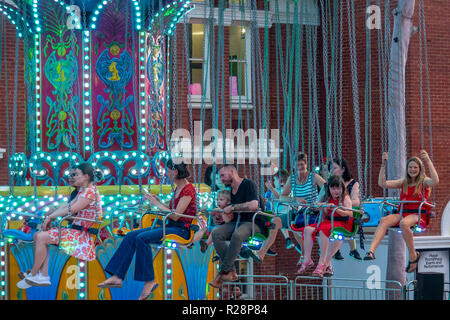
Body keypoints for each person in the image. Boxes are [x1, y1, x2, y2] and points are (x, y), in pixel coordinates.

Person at [98, 159, 197, 300]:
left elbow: (175, 216)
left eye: (168, 171)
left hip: (182, 230)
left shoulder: (188, 189)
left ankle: (149, 281)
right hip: (170, 226)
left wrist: (156, 203)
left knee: (142, 238)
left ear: (175, 171)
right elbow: (171, 211)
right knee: (131, 235)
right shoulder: (178, 188)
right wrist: (159, 202)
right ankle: (117, 276)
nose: (167, 174)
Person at [17, 163, 102, 288]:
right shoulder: (84, 191)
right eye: (71, 174)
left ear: (86, 176)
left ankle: (35, 274)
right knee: (38, 236)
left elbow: (72, 209)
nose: (72, 177)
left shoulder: (90, 192)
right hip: (76, 232)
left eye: (76, 174)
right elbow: (67, 206)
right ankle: (42, 275)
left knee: (41, 237)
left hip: (83, 237)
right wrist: (51, 214)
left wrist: (51, 216)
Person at [363, 150, 439, 273]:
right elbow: (382, 183)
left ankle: (413, 255)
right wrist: (383, 164)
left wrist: (428, 161)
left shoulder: (424, 181)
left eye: (415, 167)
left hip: (417, 215)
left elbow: (435, 181)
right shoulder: (404, 182)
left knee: (404, 223)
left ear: (420, 169)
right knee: (384, 220)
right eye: (410, 167)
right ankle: (371, 251)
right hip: (403, 212)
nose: (412, 169)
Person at [209, 164, 264, 288]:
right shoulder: (231, 191)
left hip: (253, 223)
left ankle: (221, 274)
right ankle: (231, 270)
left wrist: (233, 207)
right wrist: (218, 216)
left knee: (237, 234)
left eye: (223, 175)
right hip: (238, 222)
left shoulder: (248, 184)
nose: (221, 179)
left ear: (232, 172)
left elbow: (254, 205)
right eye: (220, 176)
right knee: (216, 234)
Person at [297, 175, 353, 277]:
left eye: (338, 188)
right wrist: (320, 207)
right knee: (307, 229)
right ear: (329, 189)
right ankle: (307, 258)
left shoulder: (345, 198)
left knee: (324, 229)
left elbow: (349, 213)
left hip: (342, 223)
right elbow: (326, 212)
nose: (336, 191)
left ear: (342, 188)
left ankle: (322, 262)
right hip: (329, 222)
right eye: (333, 188)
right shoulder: (328, 198)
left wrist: (335, 208)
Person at [279, 153, 326, 255]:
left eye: (302, 164)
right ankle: (304, 254)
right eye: (298, 165)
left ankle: (320, 253)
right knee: (280, 222)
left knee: (314, 228)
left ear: (306, 165)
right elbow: (282, 198)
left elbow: (327, 188)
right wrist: (296, 199)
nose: (300, 167)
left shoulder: (313, 176)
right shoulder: (291, 179)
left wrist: (319, 201)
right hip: (299, 211)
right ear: (294, 167)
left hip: (313, 211)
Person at [323, 158, 362, 260]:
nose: (331, 171)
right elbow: (321, 198)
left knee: (347, 219)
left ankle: (352, 249)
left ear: (342, 169)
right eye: (330, 169)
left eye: (334, 168)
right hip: (333, 214)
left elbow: (356, 201)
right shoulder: (328, 185)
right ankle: (337, 250)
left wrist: (343, 204)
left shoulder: (353, 184)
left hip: (346, 214)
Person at [265, 168, 295, 250]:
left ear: (281, 181)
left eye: (275, 180)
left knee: (277, 220)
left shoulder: (288, 190)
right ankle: (266, 244)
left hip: (286, 215)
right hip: (276, 213)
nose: (274, 182)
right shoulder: (276, 190)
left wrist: (272, 189)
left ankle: (287, 239)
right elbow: (270, 201)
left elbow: (281, 197)